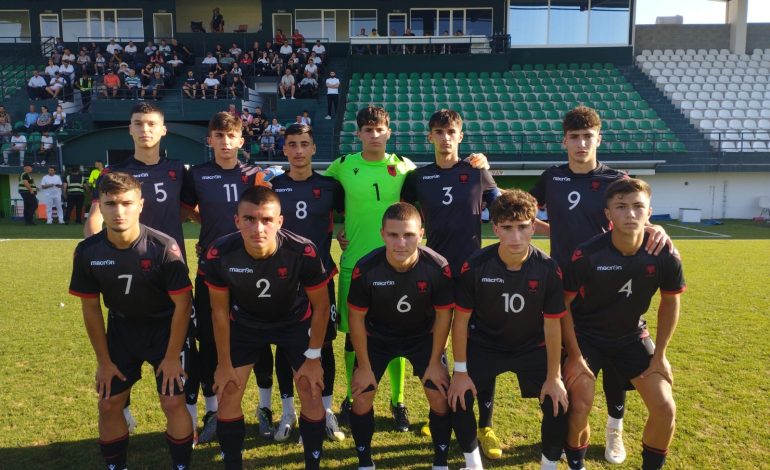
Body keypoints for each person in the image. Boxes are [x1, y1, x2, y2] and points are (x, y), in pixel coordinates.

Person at [530, 106, 672, 464]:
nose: (581, 144)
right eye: (574, 137)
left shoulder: (615, 180)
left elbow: (636, 213)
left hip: (612, 285)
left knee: (615, 373)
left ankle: (614, 431)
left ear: (598, 139)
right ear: (564, 140)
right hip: (565, 288)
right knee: (575, 374)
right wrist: (554, 230)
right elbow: (525, 211)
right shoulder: (552, 178)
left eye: (587, 137)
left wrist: (655, 229)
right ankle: (565, 438)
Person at [69, 172, 194, 470]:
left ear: (141, 205)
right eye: (111, 204)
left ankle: (181, 466)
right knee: (109, 403)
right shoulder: (88, 252)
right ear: (101, 207)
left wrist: (172, 357)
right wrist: (104, 361)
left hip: (166, 329)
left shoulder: (164, 248)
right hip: (122, 330)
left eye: (127, 203)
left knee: (172, 401)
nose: (119, 211)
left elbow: (183, 305)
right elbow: (91, 309)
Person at [562, 178, 685, 470]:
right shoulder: (587, 255)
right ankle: (576, 465)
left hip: (631, 336)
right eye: (621, 207)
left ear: (649, 212)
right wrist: (575, 356)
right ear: (608, 215)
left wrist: (660, 355)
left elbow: (670, 302)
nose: (630, 214)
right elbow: (562, 306)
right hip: (587, 337)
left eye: (637, 206)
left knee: (665, 407)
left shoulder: (665, 255)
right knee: (580, 405)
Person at [205, 186, 330, 469]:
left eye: (266, 220)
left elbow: (321, 308)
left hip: (294, 322)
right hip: (246, 324)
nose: (258, 228)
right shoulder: (220, 252)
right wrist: (223, 363)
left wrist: (313, 358)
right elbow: (219, 311)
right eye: (249, 219)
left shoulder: (303, 251)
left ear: (280, 222)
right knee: (227, 392)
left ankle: (313, 464)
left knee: (311, 390)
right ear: (237, 221)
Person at [85, 103, 191, 435]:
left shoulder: (178, 170)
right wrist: (98, 251)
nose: (144, 129)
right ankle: (123, 409)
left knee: (181, 350)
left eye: (151, 124)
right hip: (127, 270)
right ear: (129, 129)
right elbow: (94, 218)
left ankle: (186, 418)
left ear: (163, 130)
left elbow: (194, 210)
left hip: (170, 271)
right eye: (138, 124)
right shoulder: (115, 173)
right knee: (123, 340)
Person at [448, 190, 569, 470]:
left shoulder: (548, 269)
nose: (516, 237)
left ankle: (549, 464)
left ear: (534, 226)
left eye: (523, 227)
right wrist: (460, 372)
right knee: (459, 397)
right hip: (486, 345)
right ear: (495, 228)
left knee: (557, 401)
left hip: (531, 347)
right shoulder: (475, 266)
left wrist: (554, 376)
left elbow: (553, 324)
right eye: (508, 228)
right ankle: (472, 462)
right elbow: (461, 321)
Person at [401, 109, 500, 443]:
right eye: (439, 132)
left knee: (479, 348)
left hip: (473, 271)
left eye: (451, 131)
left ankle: (485, 424)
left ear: (461, 135)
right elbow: (402, 218)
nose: (445, 138)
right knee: (436, 347)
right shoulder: (418, 177)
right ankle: (438, 411)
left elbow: (501, 207)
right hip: (434, 271)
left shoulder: (475, 171)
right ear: (430, 137)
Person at [324, 106, 417, 430]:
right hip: (356, 267)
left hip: (398, 266)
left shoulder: (405, 167)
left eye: (380, 129)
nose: (374, 135)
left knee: (397, 335)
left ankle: (398, 400)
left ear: (389, 132)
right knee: (353, 337)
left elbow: (432, 196)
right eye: (368, 129)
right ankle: (352, 397)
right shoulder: (343, 166)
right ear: (359, 133)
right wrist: (336, 227)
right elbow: (316, 193)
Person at [348, 202, 454, 470]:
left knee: (439, 394)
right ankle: (364, 461)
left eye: (408, 235)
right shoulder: (366, 268)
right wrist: (363, 366)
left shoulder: (438, 267)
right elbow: (356, 319)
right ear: (383, 234)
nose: (401, 242)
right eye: (394, 235)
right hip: (378, 338)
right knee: (362, 395)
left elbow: (444, 317)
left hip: (422, 338)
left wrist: (434, 363)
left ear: (421, 234)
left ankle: (440, 462)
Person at [179, 112, 259, 444]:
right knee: (210, 340)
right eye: (219, 136)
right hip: (211, 268)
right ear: (209, 140)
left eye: (231, 136)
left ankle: (264, 407)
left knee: (257, 337)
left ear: (241, 141)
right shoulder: (197, 175)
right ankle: (213, 410)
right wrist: (206, 225)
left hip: (251, 270)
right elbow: (185, 208)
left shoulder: (255, 176)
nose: (225, 143)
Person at [268, 123, 346, 441]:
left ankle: (325, 411)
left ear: (314, 149)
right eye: (292, 144)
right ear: (284, 149)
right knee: (285, 344)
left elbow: (352, 213)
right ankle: (288, 412)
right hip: (283, 280)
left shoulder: (330, 186)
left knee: (323, 344)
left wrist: (345, 232)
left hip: (321, 278)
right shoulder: (273, 186)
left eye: (304, 144)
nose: (299, 150)